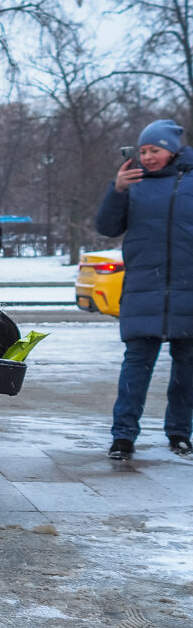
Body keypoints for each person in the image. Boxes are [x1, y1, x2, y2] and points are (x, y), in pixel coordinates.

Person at [96, 119, 193, 460]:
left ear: (173, 149)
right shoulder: (132, 184)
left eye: (155, 149)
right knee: (135, 368)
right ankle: (123, 437)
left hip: (188, 292)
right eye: (143, 151)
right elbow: (106, 227)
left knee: (187, 371)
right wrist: (117, 189)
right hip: (142, 291)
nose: (148, 156)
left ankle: (180, 433)